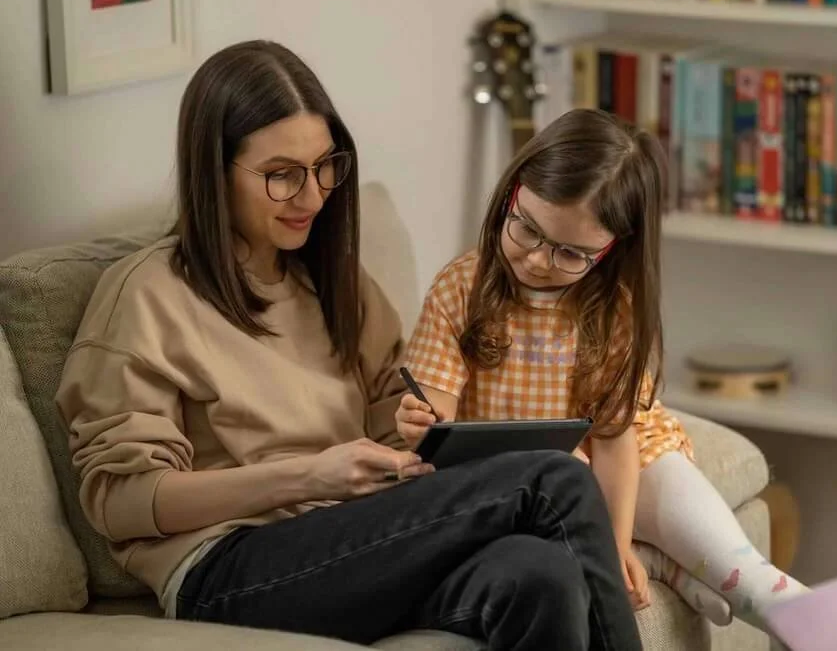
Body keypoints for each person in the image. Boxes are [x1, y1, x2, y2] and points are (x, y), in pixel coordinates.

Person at [55, 41, 642, 651]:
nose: (313, 196)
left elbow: (397, 420)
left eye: (325, 166)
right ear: (214, 168)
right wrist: (309, 476)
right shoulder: (147, 293)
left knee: (539, 575)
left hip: (351, 547)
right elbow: (118, 504)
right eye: (282, 175)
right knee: (552, 480)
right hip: (225, 569)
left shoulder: (334, 283)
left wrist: (421, 431)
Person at [397, 108, 811, 631]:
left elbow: (617, 442)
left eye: (571, 253)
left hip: (630, 456)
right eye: (525, 228)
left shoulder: (613, 306)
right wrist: (421, 420)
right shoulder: (461, 286)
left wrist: (614, 549)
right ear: (511, 194)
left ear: (614, 249)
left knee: (747, 577)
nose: (538, 261)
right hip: (530, 476)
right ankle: (663, 564)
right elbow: (440, 417)